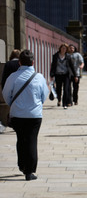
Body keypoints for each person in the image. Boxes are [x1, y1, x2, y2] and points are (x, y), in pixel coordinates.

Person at [2, 49, 49, 181]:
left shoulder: (12, 77)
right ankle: (30, 171)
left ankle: (22, 165)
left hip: (17, 114)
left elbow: (6, 94)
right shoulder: (39, 77)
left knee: (21, 140)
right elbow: (44, 95)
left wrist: (14, 105)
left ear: (19, 62)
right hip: (34, 115)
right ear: (33, 62)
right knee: (32, 141)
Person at [50, 43, 76, 109]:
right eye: (62, 48)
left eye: (65, 48)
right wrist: (51, 74)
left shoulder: (68, 56)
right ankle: (59, 99)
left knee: (66, 89)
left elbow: (72, 66)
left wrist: (75, 75)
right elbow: (53, 65)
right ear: (60, 48)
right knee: (58, 89)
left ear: (66, 49)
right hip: (58, 74)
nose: (63, 49)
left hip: (66, 75)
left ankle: (65, 104)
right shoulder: (55, 56)